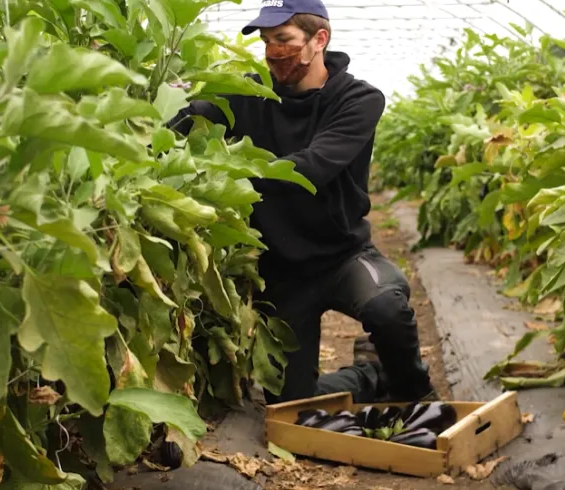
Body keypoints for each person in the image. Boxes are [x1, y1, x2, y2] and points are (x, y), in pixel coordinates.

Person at [169, 0, 436, 404]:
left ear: (319, 39)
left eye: (283, 40)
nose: (272, 51)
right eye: (266, 41)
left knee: (386, 309)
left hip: (342, 256)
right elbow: (194, 115)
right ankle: (369, 376)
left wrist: (227, 172)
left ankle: (414, 390)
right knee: (292, 404)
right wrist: (167, 112)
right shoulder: (250, 93)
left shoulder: (358, 99)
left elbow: (310, 168)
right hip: (283, 273)